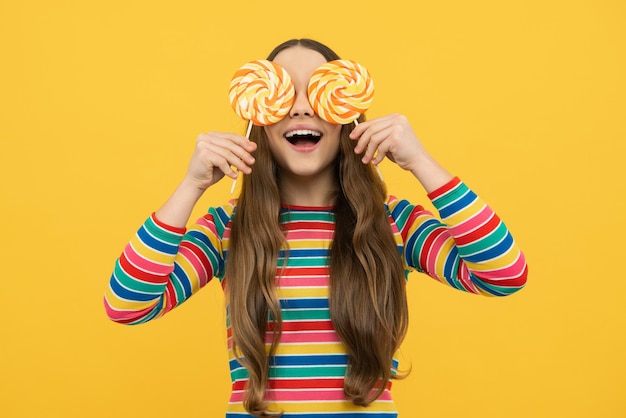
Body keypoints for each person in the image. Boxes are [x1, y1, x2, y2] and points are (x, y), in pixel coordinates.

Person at [104, 38, 528, 418]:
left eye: (319, 92)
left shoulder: (392, 224)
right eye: (283, 92)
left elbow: (504, 274)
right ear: (258, 115)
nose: (302, 106)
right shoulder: (228, 228)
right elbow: (127, 305)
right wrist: (192, 184)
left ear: (347, 113)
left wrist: (421, 162)